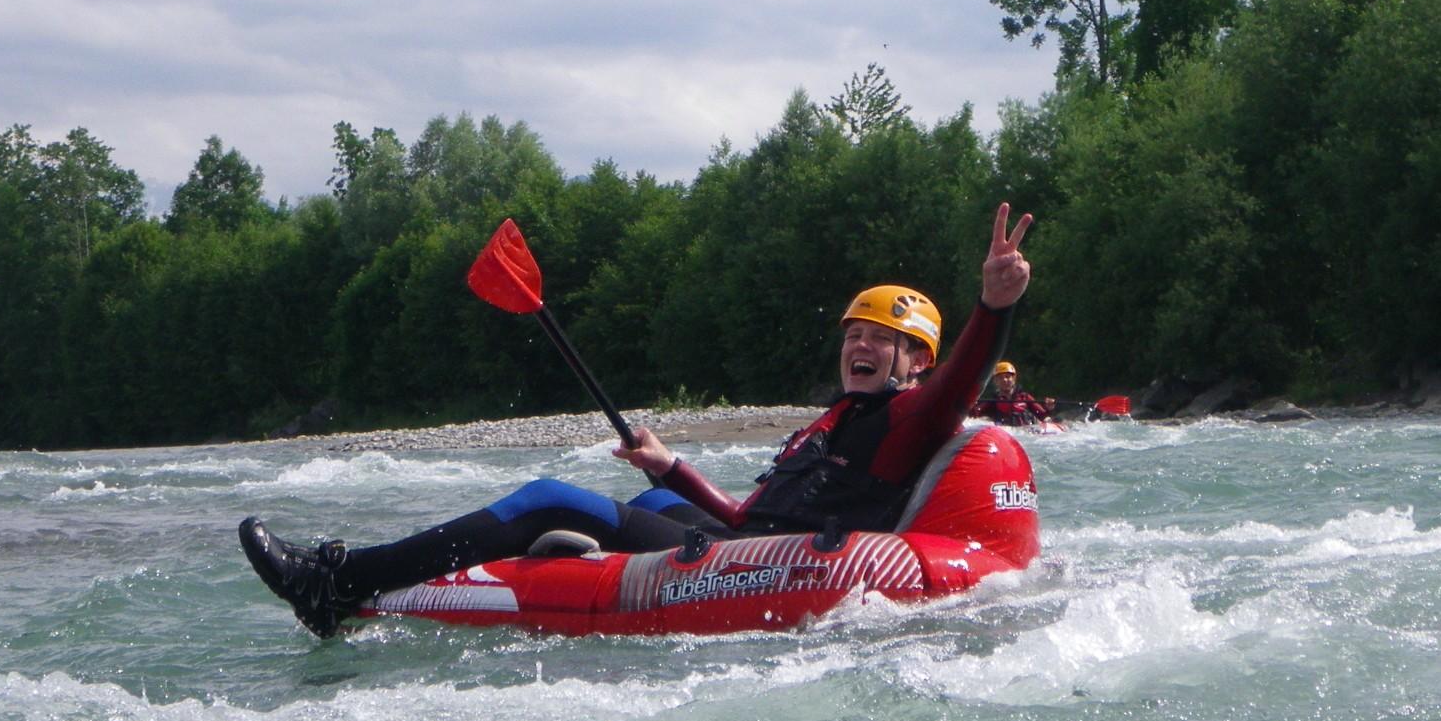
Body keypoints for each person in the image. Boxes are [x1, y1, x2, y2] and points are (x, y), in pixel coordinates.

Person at [239, 203, 1034, 636]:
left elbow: (963, 381)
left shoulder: (907, 417)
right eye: (853, 335)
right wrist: (669, 467)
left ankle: (335, 582)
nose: (858, 347)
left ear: (915, 362)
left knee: (551, 496)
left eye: (881, 341)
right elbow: (747, 515)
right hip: (751, 542)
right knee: (652, 504)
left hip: (775, 564)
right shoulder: (828, 425)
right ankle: (451, 566)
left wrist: (993, 307)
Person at [973, 361, 1056, 427]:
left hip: (1026, 433)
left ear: (1014, 378)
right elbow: (974, 415)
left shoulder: (1025, 397)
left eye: (1008, 376)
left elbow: (1043, 416)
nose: (1005, 380)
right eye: (1000, 378)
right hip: (1006, 435)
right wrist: (971, 404)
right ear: (996, 381)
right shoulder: (993, 401)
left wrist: (1049, 408)